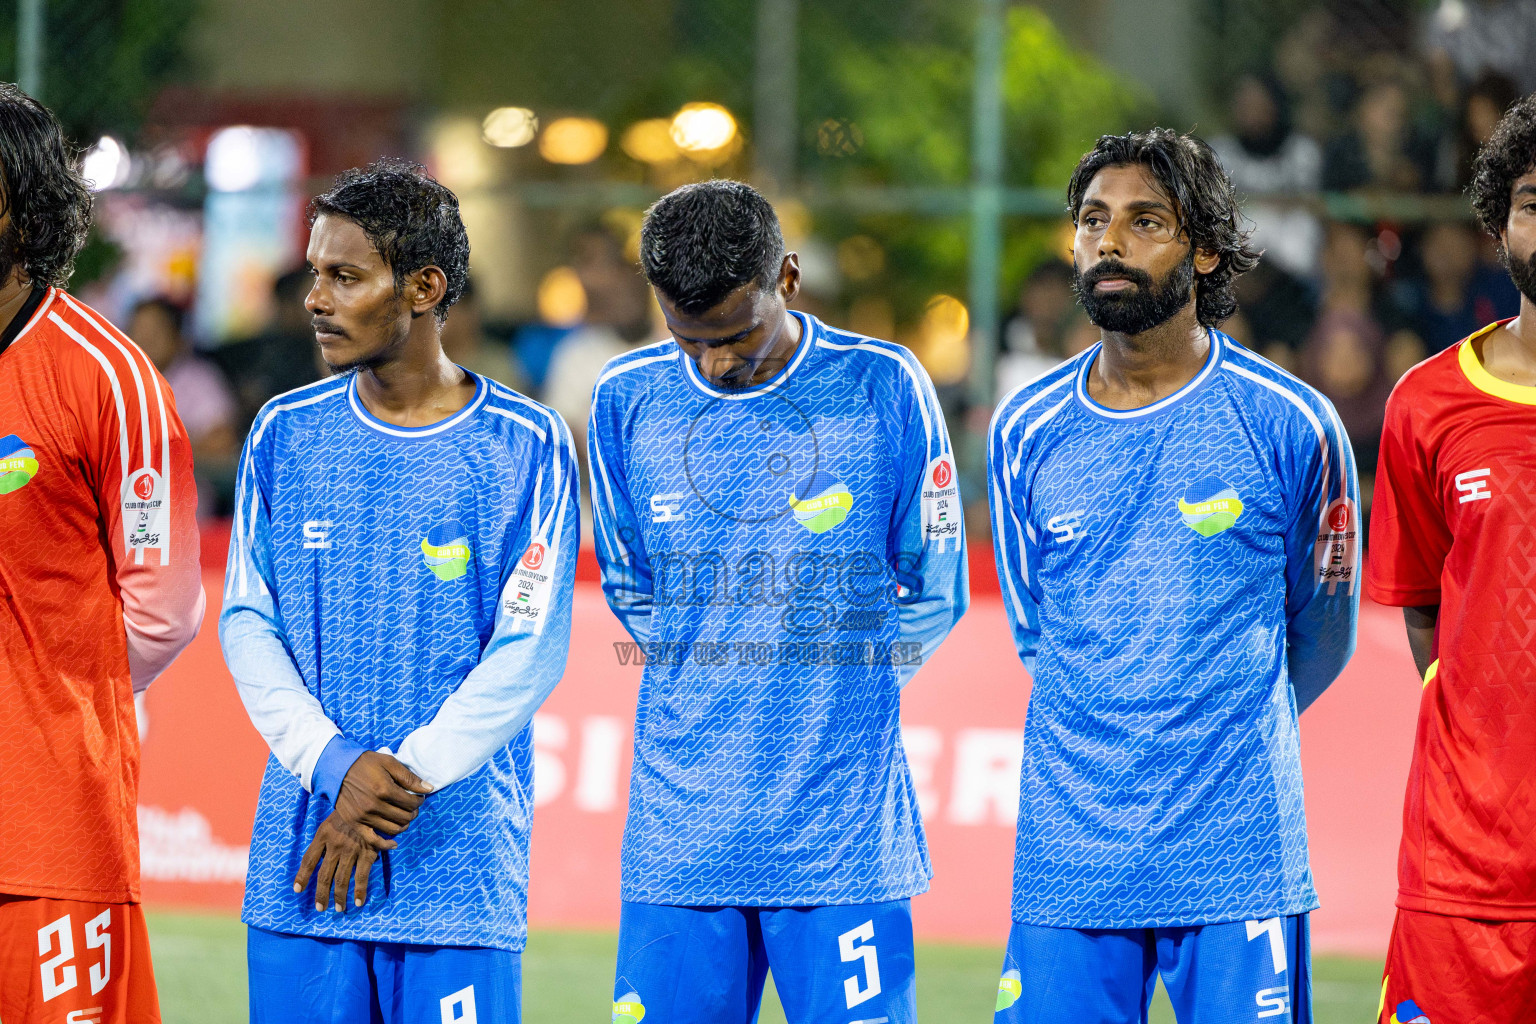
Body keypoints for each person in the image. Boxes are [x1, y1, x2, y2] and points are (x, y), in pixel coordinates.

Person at [987, 129, 1359, 1022]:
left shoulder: (1292, 424)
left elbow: (1325, 629)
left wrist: (1219, 729)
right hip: (1070, 851)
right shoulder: (1023, 431)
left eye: (1144, 221)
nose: (1108, 243)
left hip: (1238, 851)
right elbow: (1038, 630)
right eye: (1092, 221)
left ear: (1204, 250)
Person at [589, 180, 968, 1023]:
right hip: (681, 834)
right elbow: (627, 579)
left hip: (840, 831)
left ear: (786, 279)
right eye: (689, 340)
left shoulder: (884, 385)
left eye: (736, 335)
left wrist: (836, 688)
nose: (716, 363)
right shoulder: (624, 398)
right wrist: (719, 669)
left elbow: (935, 583)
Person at [219, 159, 579, 1023]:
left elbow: (528, 650)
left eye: (345, 276)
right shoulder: (285, 433)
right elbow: (245, 621)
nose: (315, 298)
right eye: (315, 273)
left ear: (424, 287)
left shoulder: (527, 444)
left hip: (459, 873)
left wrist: (392, 783)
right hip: (306, 865)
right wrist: (335, 764)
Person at [0, 83, 204, 1023]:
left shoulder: (104, 374)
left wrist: (59, 698)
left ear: (22, 201)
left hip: (46, 818)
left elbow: (163, 606)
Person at [1367, 91, 1536, 1024]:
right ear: (1497, 224)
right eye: (1534, 201)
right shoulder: (1427, 405)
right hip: (1464, 865)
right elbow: (1423, 606)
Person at [128, 296, 240, 514]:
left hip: (186, 518)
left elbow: (223, 442)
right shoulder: (117, 382)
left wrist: (158, 447)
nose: (145, 338)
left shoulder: (199, 379)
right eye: (138, 330)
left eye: (155, 330)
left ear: (177, 335)